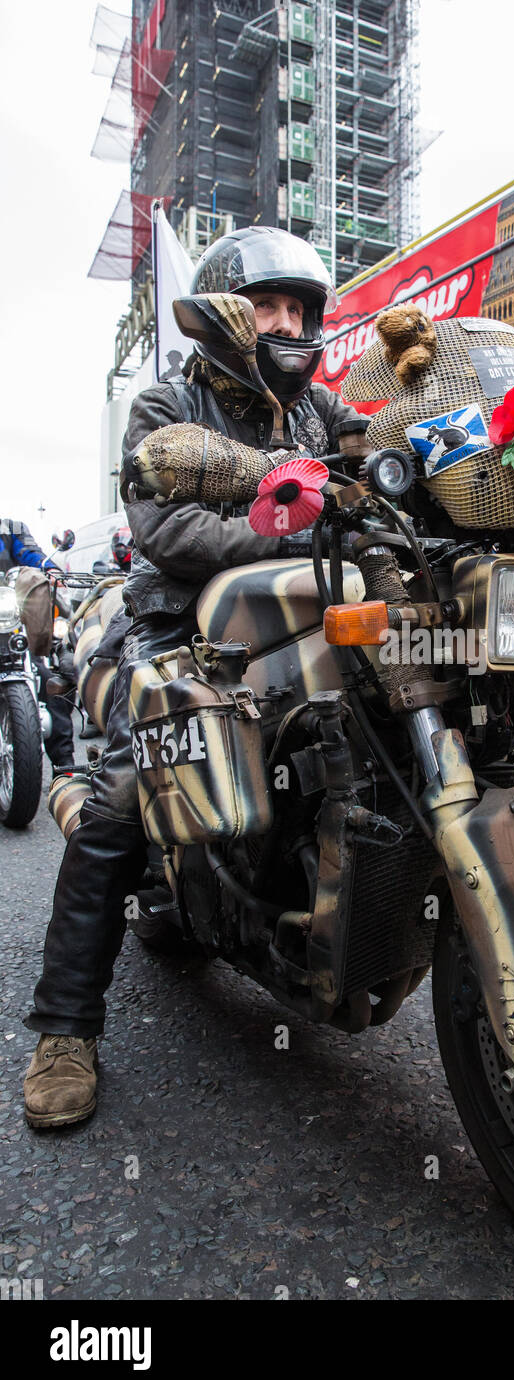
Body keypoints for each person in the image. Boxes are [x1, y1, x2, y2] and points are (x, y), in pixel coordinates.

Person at [22, 227, 367, 1128]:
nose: (287, 323)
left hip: (306, 608)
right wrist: (285, 532)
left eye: (299, 309)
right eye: (268, 307)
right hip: (182, 620)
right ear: (225, 316)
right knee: (124, 797)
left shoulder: (320, 413)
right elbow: (166, 530)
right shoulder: (164, 405)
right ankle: (65, 1028)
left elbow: (376, 461)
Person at [1, 516, 76, 772]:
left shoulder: (10, 529)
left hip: (7, 625)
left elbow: (31, 553)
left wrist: (51, 570)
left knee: (48, 677)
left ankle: (64, 766)